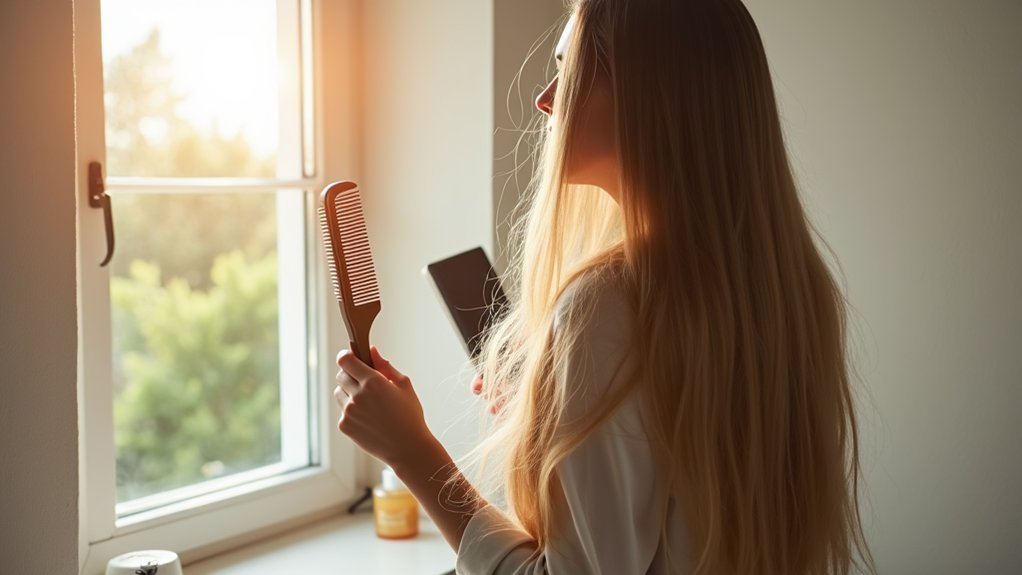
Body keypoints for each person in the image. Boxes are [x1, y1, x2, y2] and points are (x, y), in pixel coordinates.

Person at [334, 0, 876, 573]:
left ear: (650, 99)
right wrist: (574, 410)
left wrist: (413, 453)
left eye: (567, 72)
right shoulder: (792, 289)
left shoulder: (606, 307)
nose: (545, 99)